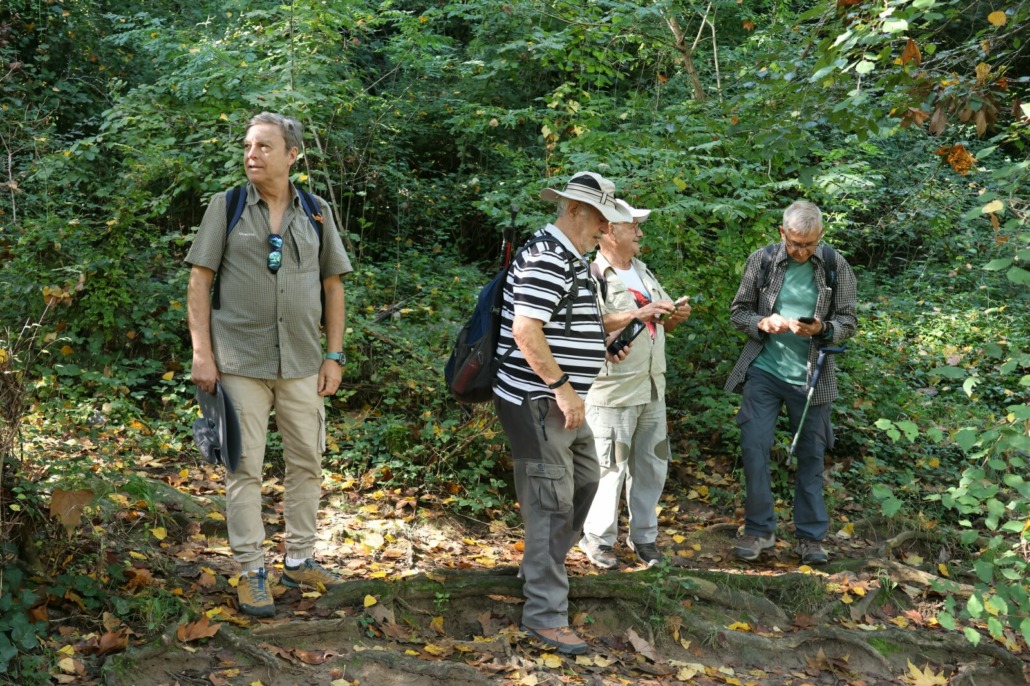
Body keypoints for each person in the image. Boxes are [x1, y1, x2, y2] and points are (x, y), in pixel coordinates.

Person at [186, 112, 353, 617]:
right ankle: (251, 571)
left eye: (263, 146)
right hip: (239, 361)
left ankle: (299, 559)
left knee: (307, 462)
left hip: (303, 361)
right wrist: (201, 353)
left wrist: (334, 355)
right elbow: (199, 281)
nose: (251, 155)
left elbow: (333, 287)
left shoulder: (317, 212)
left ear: (291, 155)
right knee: (244, 468)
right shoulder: (227, 206)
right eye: (247, 146)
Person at [493, 172, 632, 655]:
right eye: (600, 219)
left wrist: (600, 345)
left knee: (586, 481)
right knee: (551, 505)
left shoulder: (569, 257)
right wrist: (562, 387)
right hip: (541, 400)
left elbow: (563, 323)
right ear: (574, 210)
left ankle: (539, 566)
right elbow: (526, 331)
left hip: (561, 401)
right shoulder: (548, 257)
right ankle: (545, 614)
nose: (606, 229)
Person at [724, 200, 857, 565]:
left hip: (813, 377)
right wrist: (762, 322)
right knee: (754, 446)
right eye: (796, 243)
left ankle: (810, 538)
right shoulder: (762, 260)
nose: (801, 251)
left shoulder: (835, 265)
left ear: (821, 236)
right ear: (782, 232)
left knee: (811, 456)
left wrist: (823, 328)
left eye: (810, 244)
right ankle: (759, 531)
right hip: (765, 371)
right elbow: (738, 312)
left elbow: (848, 320)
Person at [579, 200, 691, 569]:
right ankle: (597, 540)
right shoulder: (592, 273)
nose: (640, 233)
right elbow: (588, 322)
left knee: (651, 466)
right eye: (634, 226)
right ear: (610, 231)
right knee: (608, 469)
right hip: (613, 392)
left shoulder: (643, 271)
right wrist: (637, 313)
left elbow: (659, 323)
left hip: (652, 387)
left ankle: (644, 538)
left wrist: (674, 315)